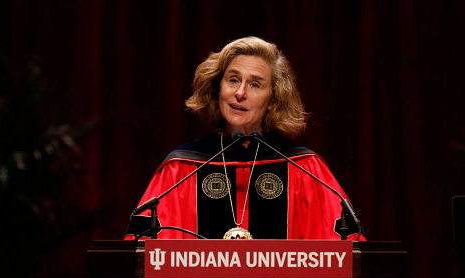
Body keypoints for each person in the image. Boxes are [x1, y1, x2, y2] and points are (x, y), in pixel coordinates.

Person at [126, 36, 363, 240]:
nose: (240, 93)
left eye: (255, 84)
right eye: (233, 80)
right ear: (218, 88)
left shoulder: (304, 169)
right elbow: (146, 251)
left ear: (272, 100)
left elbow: (343, 252)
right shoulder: (181, 169)